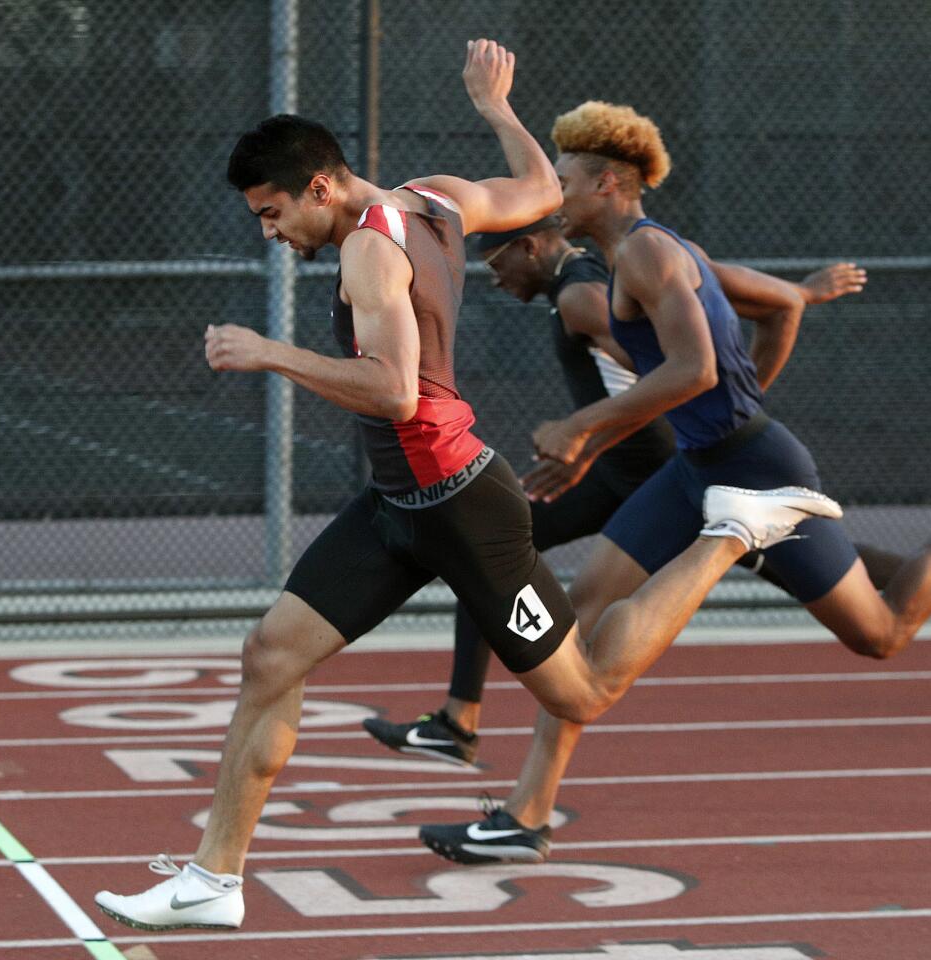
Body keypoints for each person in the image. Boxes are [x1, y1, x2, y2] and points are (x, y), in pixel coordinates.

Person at [92, 41, 849, 933]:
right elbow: (537, 189)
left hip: (461, 505)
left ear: (321, 189)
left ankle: (736, 529)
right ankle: (215, 879)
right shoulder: (437, 196)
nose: (269, 231)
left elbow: (394, 389)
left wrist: (269, 354)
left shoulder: (370, 254)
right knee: (270, 656)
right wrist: (496, 108)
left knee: (580, 694)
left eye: (271, 212)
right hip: (396, 506)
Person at [414, 101, 931, 866]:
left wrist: (592, 425)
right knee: (583, 608)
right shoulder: (645, 257)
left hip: (758, 473)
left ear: (607, 183)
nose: (554, 194)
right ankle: (525, 814)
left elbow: (696, 370)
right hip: (703, 464)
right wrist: (735, 408)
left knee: (880, 632)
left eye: (566, 181)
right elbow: (782, 306)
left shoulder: (648, 255)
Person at [365, 219, 931, 768]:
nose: (494, 276)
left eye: (495, 262)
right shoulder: (617, 267)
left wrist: (584, 436)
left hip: (646, 470)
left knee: (493, 551)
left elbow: (664, 369)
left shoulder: (582, 294)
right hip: (641, 465)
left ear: (530, 245)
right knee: (793, 563)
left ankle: (462, 722)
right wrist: (796, 298)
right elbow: (735, 311)